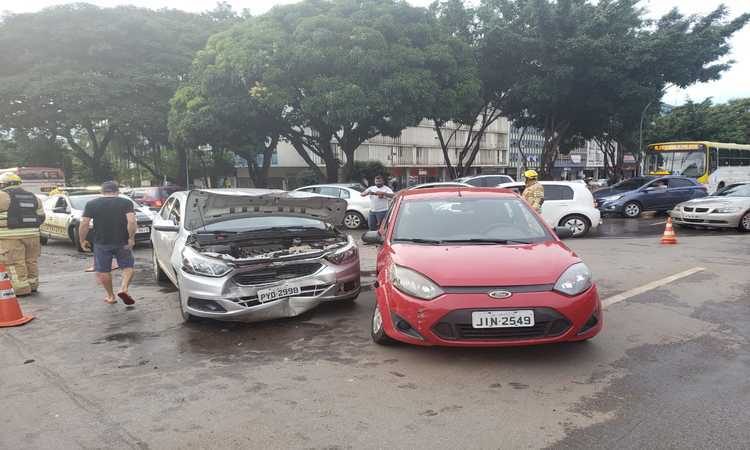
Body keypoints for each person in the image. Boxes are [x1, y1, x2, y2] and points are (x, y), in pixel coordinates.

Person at [78, 181, 137, 305]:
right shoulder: (126, 202)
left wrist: (82, 240)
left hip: (101, 242)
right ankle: (124, 288)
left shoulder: (92, 204)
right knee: (128, 266)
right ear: (117, 191)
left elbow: (84, 223)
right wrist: (131, 237)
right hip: (122, 241)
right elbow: (131, 221)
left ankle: (111, 296)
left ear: (102, 191)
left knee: (103, 270)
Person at [0, 173, 45, 296]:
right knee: (31, 260)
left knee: (14, 262)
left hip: (10, 236)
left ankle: (20, 289)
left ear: (3, 184)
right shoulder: (34, 197)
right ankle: (33, 285)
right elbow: (41, 217)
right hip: (33, 236)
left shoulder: (2, 196)